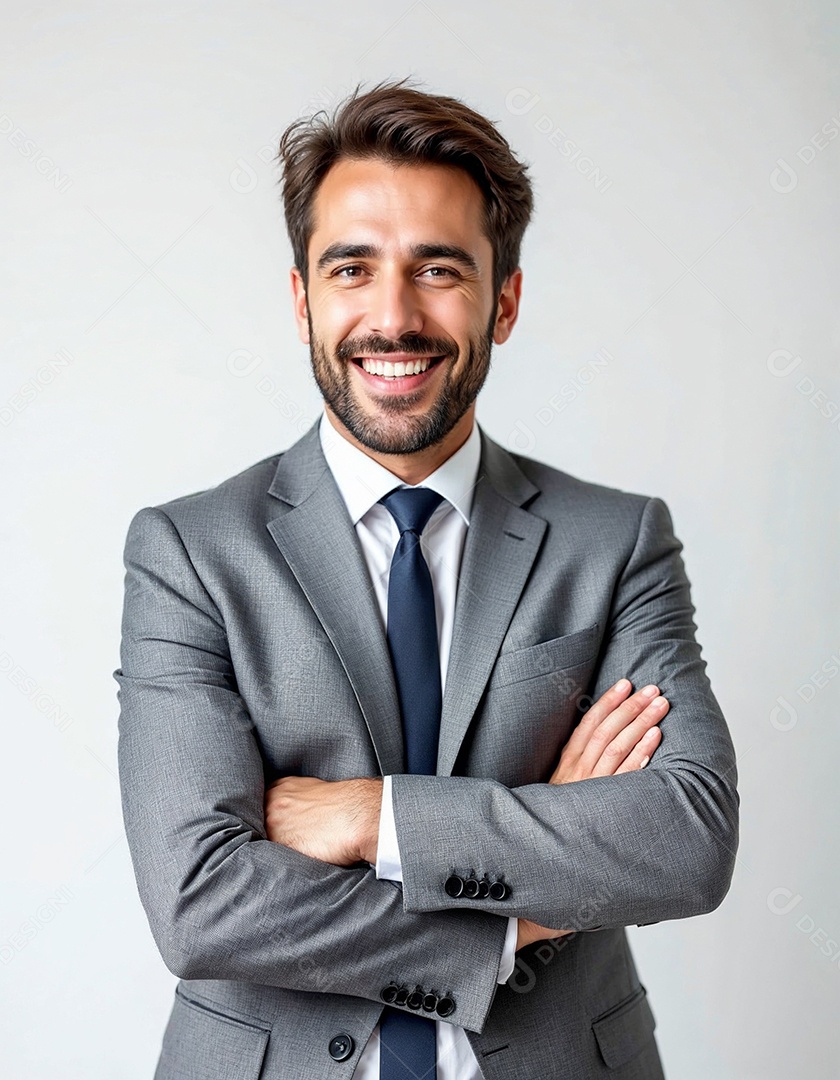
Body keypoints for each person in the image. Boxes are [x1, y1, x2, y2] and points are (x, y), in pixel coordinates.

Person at [115, 80, 739, 1080]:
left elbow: (682, 838)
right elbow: (202, 905)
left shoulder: (615, 543)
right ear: (302, 300)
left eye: (438, 269)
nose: (393, 317)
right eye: (351, 269)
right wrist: (516, 921)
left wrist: (372, 816)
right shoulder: (191, 554)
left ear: (506, 300)